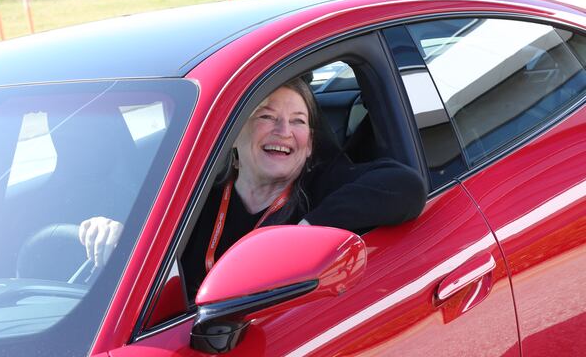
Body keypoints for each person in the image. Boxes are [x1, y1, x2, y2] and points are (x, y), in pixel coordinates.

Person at [80, 78, 427, 296]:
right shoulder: (199, 194)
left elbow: (406, 186)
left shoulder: (323, 186)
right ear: (232, 136)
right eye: (266, 116)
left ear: (308, 145)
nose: (283, 130)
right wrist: (117, 233)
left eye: (298, 121)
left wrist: (304, 231)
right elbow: (155, 244)